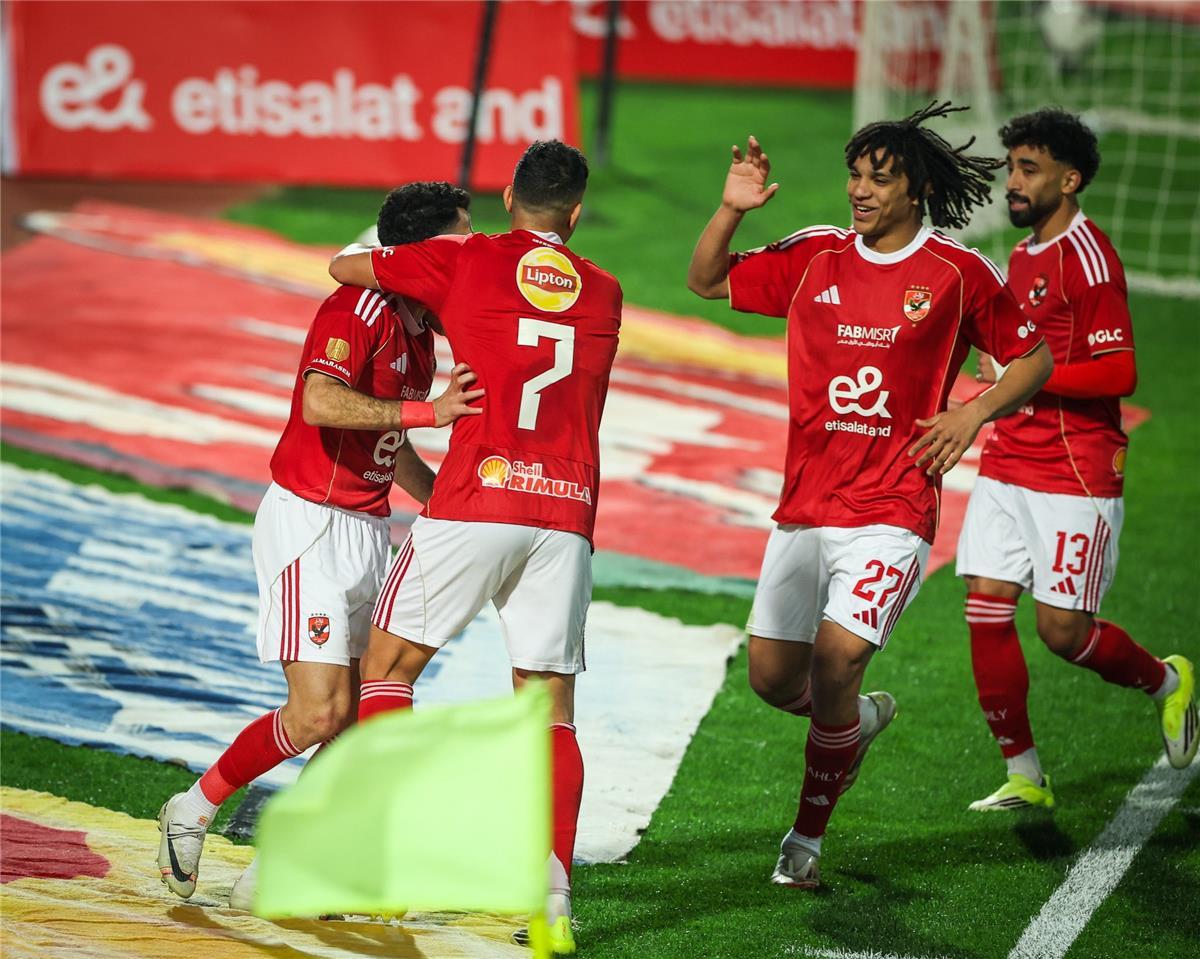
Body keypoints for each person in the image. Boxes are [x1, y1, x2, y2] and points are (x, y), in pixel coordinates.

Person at [687, 102, 1052, 890]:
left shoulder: (957, 274)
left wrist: (974, 411)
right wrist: (731, 208)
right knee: (773, 679)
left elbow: (1033, 358)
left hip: (894, 507)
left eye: (879, 179)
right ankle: (856, 723)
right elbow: (706, 280)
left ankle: (805, 841)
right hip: (806, 505)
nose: (859, 190)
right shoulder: (815, 255)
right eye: (854, 175)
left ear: (918, 190)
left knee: (836, 658)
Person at [328, 139, 621, 954]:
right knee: (550, 708)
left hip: (475, 496)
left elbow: (345, 267)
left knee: (387, 670)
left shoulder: (466, 258)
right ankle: (553, 898)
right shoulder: (606, 290)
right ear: (576, 212)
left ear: (507, 198)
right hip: (565, 513)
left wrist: (421, 251)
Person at [156, 181, 482, 903]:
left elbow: (388, 441)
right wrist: (430, 411)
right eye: (461, 239)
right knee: (318, 713)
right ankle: (194, 807)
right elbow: (319, 400)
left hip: (368, 529)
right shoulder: (357, 306)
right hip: (310, 523)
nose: (470, 254)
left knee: (357, 720)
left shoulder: (420, 331)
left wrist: (447, 504)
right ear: (423, 251)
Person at [957, 108, 1197, 812]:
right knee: (985, 607)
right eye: (1012, 167)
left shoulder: (1089, 260)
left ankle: (1168, 681)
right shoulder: (1023, 255)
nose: (1013, 181)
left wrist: (1027, 375)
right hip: (1010, 458)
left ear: (1070, 180)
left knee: (1062, 632)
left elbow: (1120, 372)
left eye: (1029, 169)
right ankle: (1024, 773)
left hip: (1075, 469)